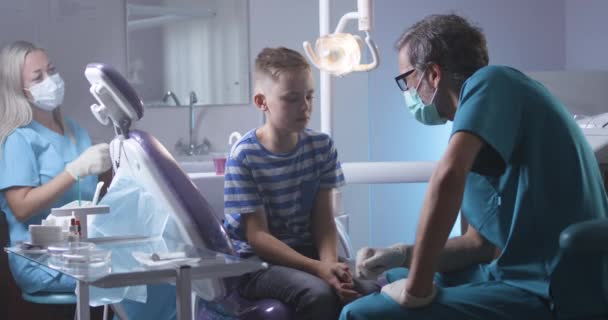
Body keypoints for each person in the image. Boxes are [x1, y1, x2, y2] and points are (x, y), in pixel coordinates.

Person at [341, 14, 608, 320]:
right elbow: (478, 245)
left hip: (549, 287)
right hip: (507, 272)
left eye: (408, 80)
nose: (409, 93)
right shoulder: (485, 133)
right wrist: (403, 254)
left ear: (434, 74)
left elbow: (448, 175)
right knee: (375, 282)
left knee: (359, 314)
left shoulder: (493, 81)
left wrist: (417, 286)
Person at [223, 47, 378, 319]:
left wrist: (330, 264)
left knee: (372, 288)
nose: (304, 107)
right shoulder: (244, 155)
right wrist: (318, 269)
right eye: (292, 99)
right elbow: (258, 237)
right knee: (317, 294)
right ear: (262, 102)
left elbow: (323, 219)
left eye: (309, 96)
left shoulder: (321, 146)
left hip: (308, 253)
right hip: (256, 265)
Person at [0, 41, 112, 294]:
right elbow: (21, 207)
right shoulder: (18, 138)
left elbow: (93, 198)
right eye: (38, 77)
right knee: (130, 282)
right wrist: (72, 172)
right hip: (40, 259)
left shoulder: (74, 131)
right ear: (18, 90)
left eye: (51, 70)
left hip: (81, 252)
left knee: (149, 273)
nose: (50, 80)